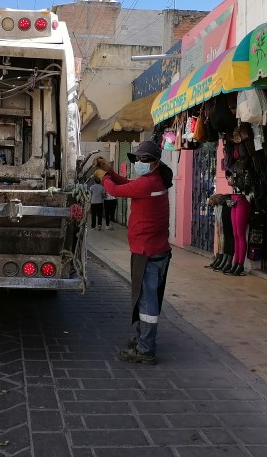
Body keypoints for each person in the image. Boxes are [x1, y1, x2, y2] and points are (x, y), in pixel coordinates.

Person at [94, 140, 173, 365]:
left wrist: (104, 177)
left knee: (147, 302)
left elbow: (117, 190)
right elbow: (128, 185)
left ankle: (146, 349)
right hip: (157, 250)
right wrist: (110, 172)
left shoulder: (148, 183)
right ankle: (142, 341)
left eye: (141, 159)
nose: (138, 162)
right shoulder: (154, 180)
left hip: (146, 251)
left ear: (155, 163)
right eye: (137, 159)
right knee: (145, 299)